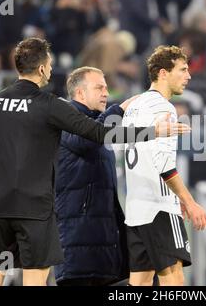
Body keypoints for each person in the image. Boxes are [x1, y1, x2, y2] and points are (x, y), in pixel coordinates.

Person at [0, 37, 190, 286]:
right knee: (34, 278)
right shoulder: (49, 105)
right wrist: (152, 131)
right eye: (49, 65)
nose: (51, 70)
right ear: (41, 68)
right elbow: (98, 133)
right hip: (35, 208)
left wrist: (11, 167)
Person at [122, 45, 206, 286]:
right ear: (163, 73)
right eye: (182, 70)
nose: (188, 76)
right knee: (174, 281)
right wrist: (189, 202)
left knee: (138, 284)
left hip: (136, 209)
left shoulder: (134, 107)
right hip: (160, 208)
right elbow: (163, 164)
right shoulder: (164, 108)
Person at [54, 66, 134, 286]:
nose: (106, 93)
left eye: (106, 87)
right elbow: (86, 139)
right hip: (77, 245)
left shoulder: (100, 126)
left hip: (102, 245)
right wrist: (118, 110)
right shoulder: (64, 118)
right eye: (99, 87)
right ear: (80, 93)